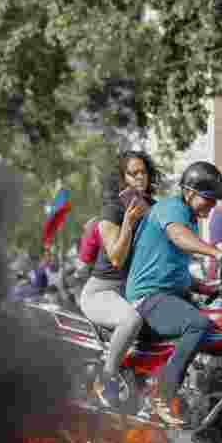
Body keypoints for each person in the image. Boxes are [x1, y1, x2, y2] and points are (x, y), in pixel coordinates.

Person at [125, 161, 222, 433]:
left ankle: (212, 422)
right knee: (197, 324)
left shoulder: (188, 217)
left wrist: (208, 288)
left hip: (167, 294)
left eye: (215, 200)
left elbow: (175, 270)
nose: (212, 204)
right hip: (148, 296)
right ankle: (163, 394)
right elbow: (179, 237)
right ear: (189, 192)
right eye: (208, 198)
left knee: (220, 327)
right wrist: (216, 253)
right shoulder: (172, 209)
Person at [78, 151, 157, 400]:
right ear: (123, 179)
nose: (139, 177)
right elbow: (116, 258)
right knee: (131, 320)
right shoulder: (112, 211)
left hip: (135, 291)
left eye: (143, 172)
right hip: (102, 292)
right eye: (133, 174)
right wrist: (128, 223)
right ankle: (107, 377)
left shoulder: (154, 208)